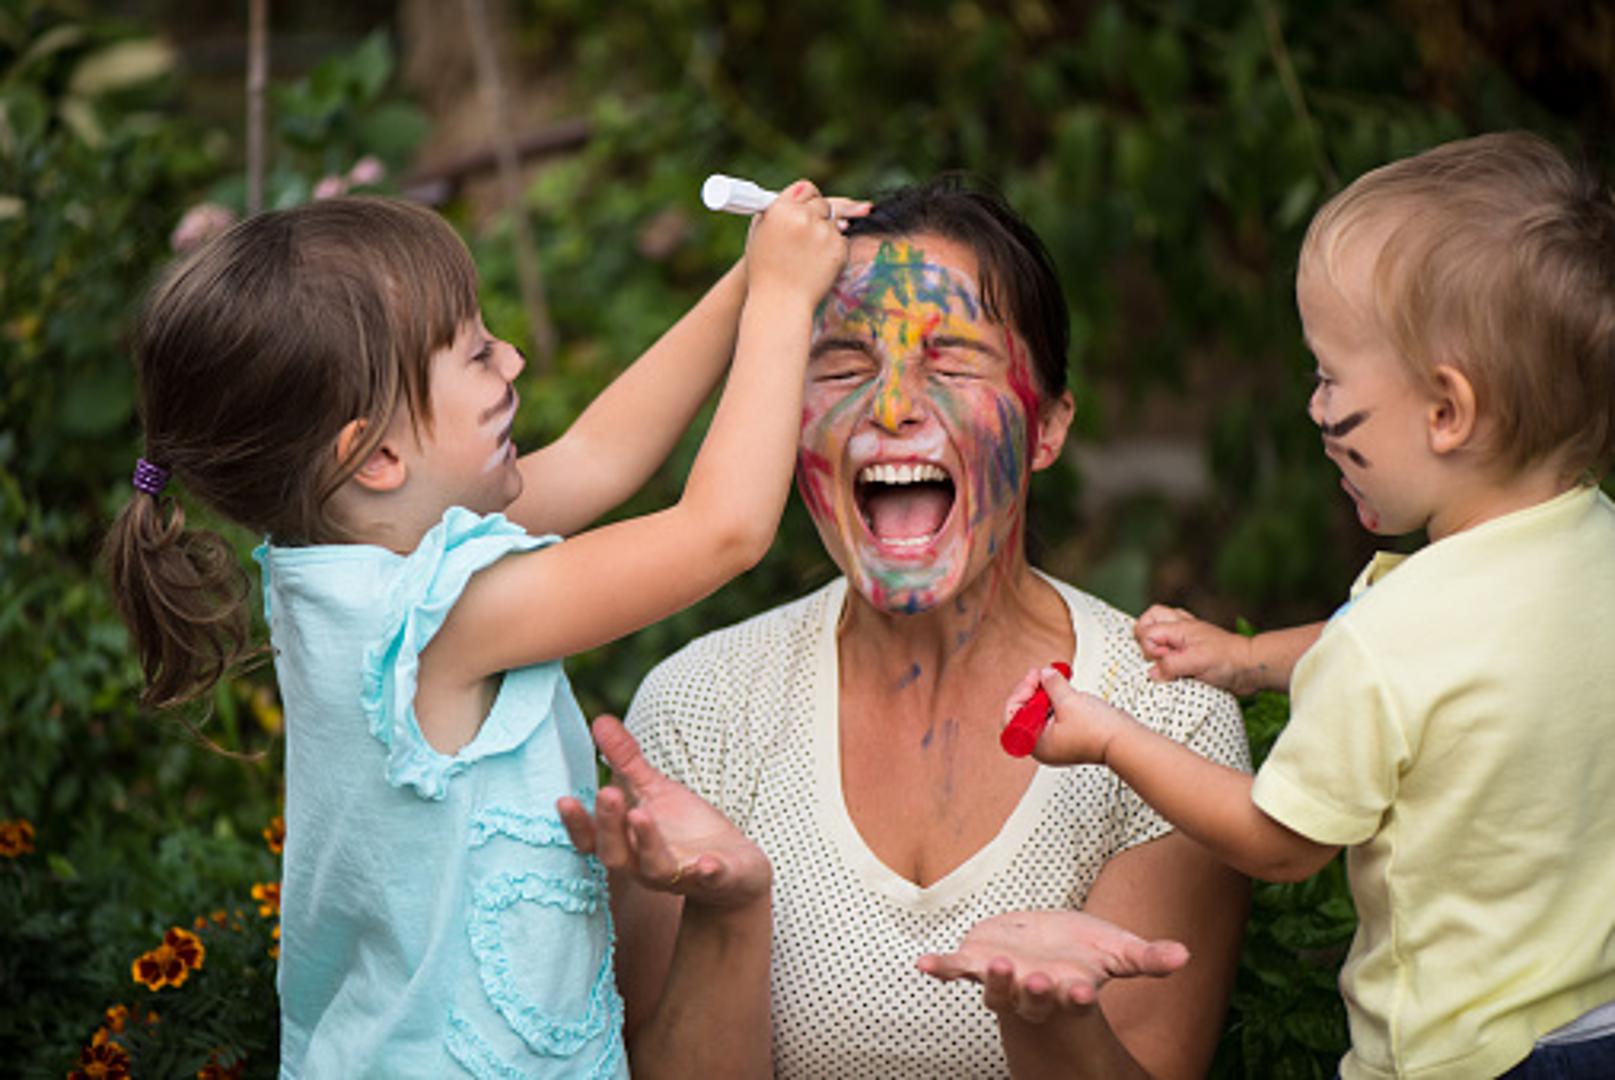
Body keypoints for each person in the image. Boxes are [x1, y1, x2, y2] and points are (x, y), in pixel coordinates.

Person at [103, 186, 860, 1077]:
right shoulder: (440, 619)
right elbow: (719, 533)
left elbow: (595, 457)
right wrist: (782, 303)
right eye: (474, 353)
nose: (514, 357)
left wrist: (747, 277)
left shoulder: (345, 560)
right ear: (376, 458)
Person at [566, 177, 1252, 1078]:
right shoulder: (703, 708)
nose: (890, 406)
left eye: (954, 364)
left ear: (1045, 427)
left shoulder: (1168, 725)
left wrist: (1049, 1021)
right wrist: (727, 914)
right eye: (843, 368)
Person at [1014, 131, 1615, 1079]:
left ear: (1446, 412)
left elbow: (1278, 841)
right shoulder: (1591, 551)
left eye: (1332, 377)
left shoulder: (1392, 642)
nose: (1313, 408)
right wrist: (1248, 660)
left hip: (1457, 1060)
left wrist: (1108, 738)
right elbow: (1418, 662)